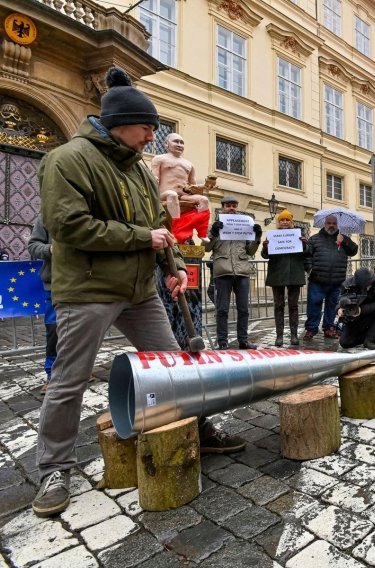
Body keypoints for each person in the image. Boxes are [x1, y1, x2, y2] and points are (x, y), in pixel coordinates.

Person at [33, 67, 244, 519]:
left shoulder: (141, 172)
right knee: (69, 379)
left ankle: (198, 426)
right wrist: (140, 239)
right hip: (87, 289)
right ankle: (55, 469)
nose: (153, 134)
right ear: (119, 123)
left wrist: (175, 269)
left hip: (139, 290)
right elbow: (68, 227)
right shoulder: (67, 160)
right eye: (147, 126)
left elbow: (162, 227)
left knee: (174, 366)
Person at [206, 195, 260, 349]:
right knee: (222, 309)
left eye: (234, 206)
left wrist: (257, 238)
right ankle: (222, 342)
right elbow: (207, 248)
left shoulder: (244, 225)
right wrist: (214, 234)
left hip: (242, 271)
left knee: (243, 309)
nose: (231, 208)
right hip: (223, 272)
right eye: (228, 205)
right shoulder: (213, 226)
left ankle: (243, 340)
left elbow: (250, 251)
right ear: (222, 207)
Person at [303, 215, 358, 341]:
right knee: (313, 305)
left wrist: (344, 240)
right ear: (324, 224)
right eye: (329, 223)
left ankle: (329, 327)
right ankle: (311, 329)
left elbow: (354, 250)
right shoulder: (315, 239)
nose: (331, 225)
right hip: (317, 279)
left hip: (337, 281)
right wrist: (310, 269)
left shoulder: (342, 238)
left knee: (332, 306)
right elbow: (307, 256)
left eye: (334, 223)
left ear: (337, 225)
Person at [260, 210, 307, 346]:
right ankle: (279, 336)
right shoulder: (272, 236)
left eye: (287, 220)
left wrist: (304, 244)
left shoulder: (298, 235)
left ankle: (293, 335)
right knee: (278, 306)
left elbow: (308, 252)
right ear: (279, 222)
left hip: (294, 274)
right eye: (282, 220)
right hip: (277, 274)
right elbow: (265, 255)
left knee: (293, 306)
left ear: (291, 222)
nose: (285, 222)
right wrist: (265, 248)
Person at [149, 132, 210, 220]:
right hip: (164, 194)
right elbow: (154, 178)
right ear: (167, 144)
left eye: (182, 142)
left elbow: (193, 186)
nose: (179, 145)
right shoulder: (159, 159)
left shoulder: (189, 164)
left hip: (184, 195)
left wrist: (205, 186)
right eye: (176, 141)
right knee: (172, 194)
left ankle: (200, 229)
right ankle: (176, 225)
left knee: (204, 200)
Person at [27, 215, 56, 393]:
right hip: (55, 285)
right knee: (55, 330)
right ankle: (52, 375)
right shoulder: (45, 217)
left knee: (83, 332)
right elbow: (33, 246)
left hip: (84, 285)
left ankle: (80, 371)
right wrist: (50, 249)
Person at [337, 268, 375, 350]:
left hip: (372, 314)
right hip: (355, 319)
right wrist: (339, 310)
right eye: (366, 286)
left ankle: (370, 339)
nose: (369, 287)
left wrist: (361, 310)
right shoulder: (347, 285)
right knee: (345, 342)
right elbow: (338, 301)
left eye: (369, 284)